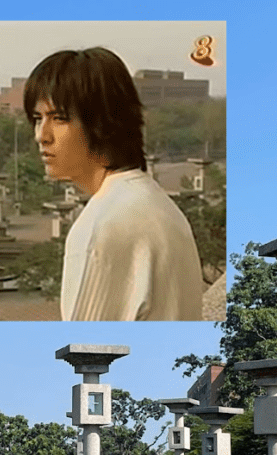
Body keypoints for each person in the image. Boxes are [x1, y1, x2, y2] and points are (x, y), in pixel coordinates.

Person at [24, 47, 204, 321]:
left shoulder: (101, 229)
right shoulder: (158, 204)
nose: (41, 136)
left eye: (59, 118)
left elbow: (85, 355)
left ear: (102, 122)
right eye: (38, 119)